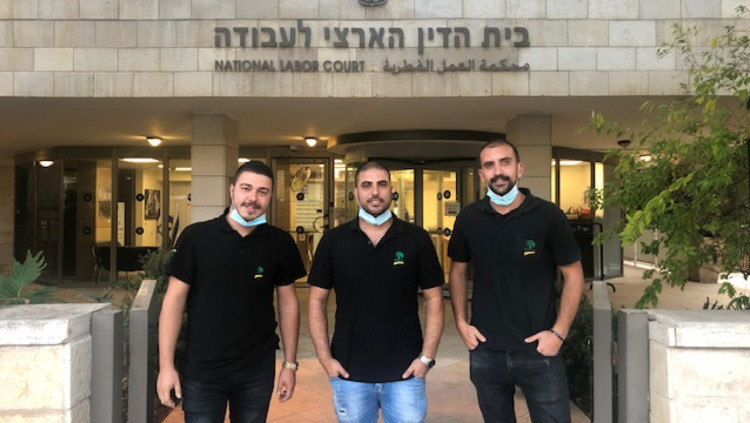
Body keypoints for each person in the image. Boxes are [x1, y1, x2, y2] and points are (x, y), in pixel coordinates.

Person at [156, 161, 306, 423]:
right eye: (246, 188)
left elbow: (288, 303)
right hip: (203, 368)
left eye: (262, 191)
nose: (253, 198)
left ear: (270, 196)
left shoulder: (280, 243)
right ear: (232, 189)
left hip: (256, 368)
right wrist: (166, 366)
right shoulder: (196, 237)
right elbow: (173, 302)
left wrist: (289, 365)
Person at [448, 139, 585, 423]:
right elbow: (457, 271)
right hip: (486, 351)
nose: (498, 171)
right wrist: (461, 322)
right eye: (489, 165)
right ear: (481, 174)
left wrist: (558, 333)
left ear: (519, 169)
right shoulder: (469, 218)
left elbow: (574, 275)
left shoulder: (548, 215)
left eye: (505, 162)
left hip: (540, 351)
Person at [308, 161, 445, 423]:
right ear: (355, 192)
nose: (375, 192)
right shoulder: (333, 240)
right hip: (349, 372)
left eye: (382, 184)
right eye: (366, 185)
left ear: (391, 189)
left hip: (406, 372)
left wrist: (426, 358)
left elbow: (435, 299)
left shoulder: (416, 238)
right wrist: (325, 359)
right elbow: (316, 300)